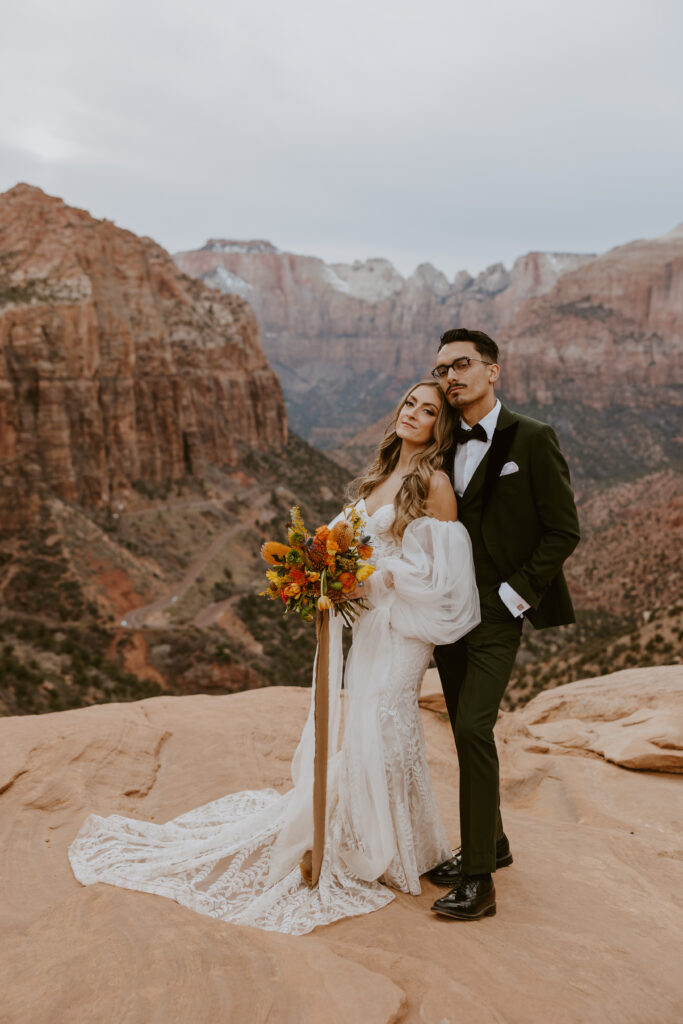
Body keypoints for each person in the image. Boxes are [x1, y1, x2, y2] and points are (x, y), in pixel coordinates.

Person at [68, 382, 481, 935]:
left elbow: (445, 579)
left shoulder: (432, 483)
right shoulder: (381, 475)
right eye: (410, 403)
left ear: (440, 426)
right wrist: (317, 569)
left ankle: (391, 846)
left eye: (429, 411)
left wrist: (371, 582)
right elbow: (343, 539)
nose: (414, 414)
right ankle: (389, 842)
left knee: (387, 720)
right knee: (367, 724)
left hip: (402, 630)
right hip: (368, 626)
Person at [427, 328, 580, 921]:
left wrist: (518, 594)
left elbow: (563, 529)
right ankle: (492, 842)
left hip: (497, 611)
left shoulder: (534, 439)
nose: (449, 377)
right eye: (442, 369)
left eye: (461, 365)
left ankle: (479, 882)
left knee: (470, 727)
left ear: (493, 370)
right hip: (448, 610)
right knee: (468, 732)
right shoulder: (441, 441)